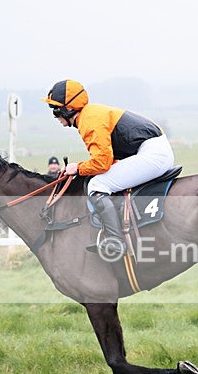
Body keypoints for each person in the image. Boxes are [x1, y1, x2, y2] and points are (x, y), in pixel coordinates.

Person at [41, 79, 174, 257]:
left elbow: (102, 163)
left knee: (97, 185)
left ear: (69, 108)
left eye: (55, 110)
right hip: (151, 150)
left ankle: (115, 241)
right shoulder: (90, 114)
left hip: (152, 154)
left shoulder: (88, 119)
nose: (55, 116)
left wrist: (78, 168)